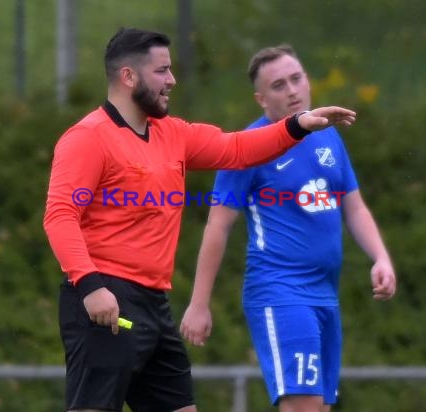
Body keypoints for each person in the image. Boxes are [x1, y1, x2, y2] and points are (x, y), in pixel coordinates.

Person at [43, 28, 356, 412]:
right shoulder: (88, 138)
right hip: (104, 299)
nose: (171, 80)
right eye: (162, 71)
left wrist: (297, 126)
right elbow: (60, 215)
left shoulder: (170, 133)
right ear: (128, 77)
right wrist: (91, 286)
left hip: (153, 302)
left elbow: (237, 148)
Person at [180, 45, 396, 411]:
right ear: (261, 99)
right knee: (303, 406)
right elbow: (218, 227)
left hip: (325, 295)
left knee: (319, 407)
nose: (292, 90)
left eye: (296, 79)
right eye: (279, 85)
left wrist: (380, 257)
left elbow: (353, 205)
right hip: (280, 291)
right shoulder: (248, 147)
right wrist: (199, 304)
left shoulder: (329, 136)